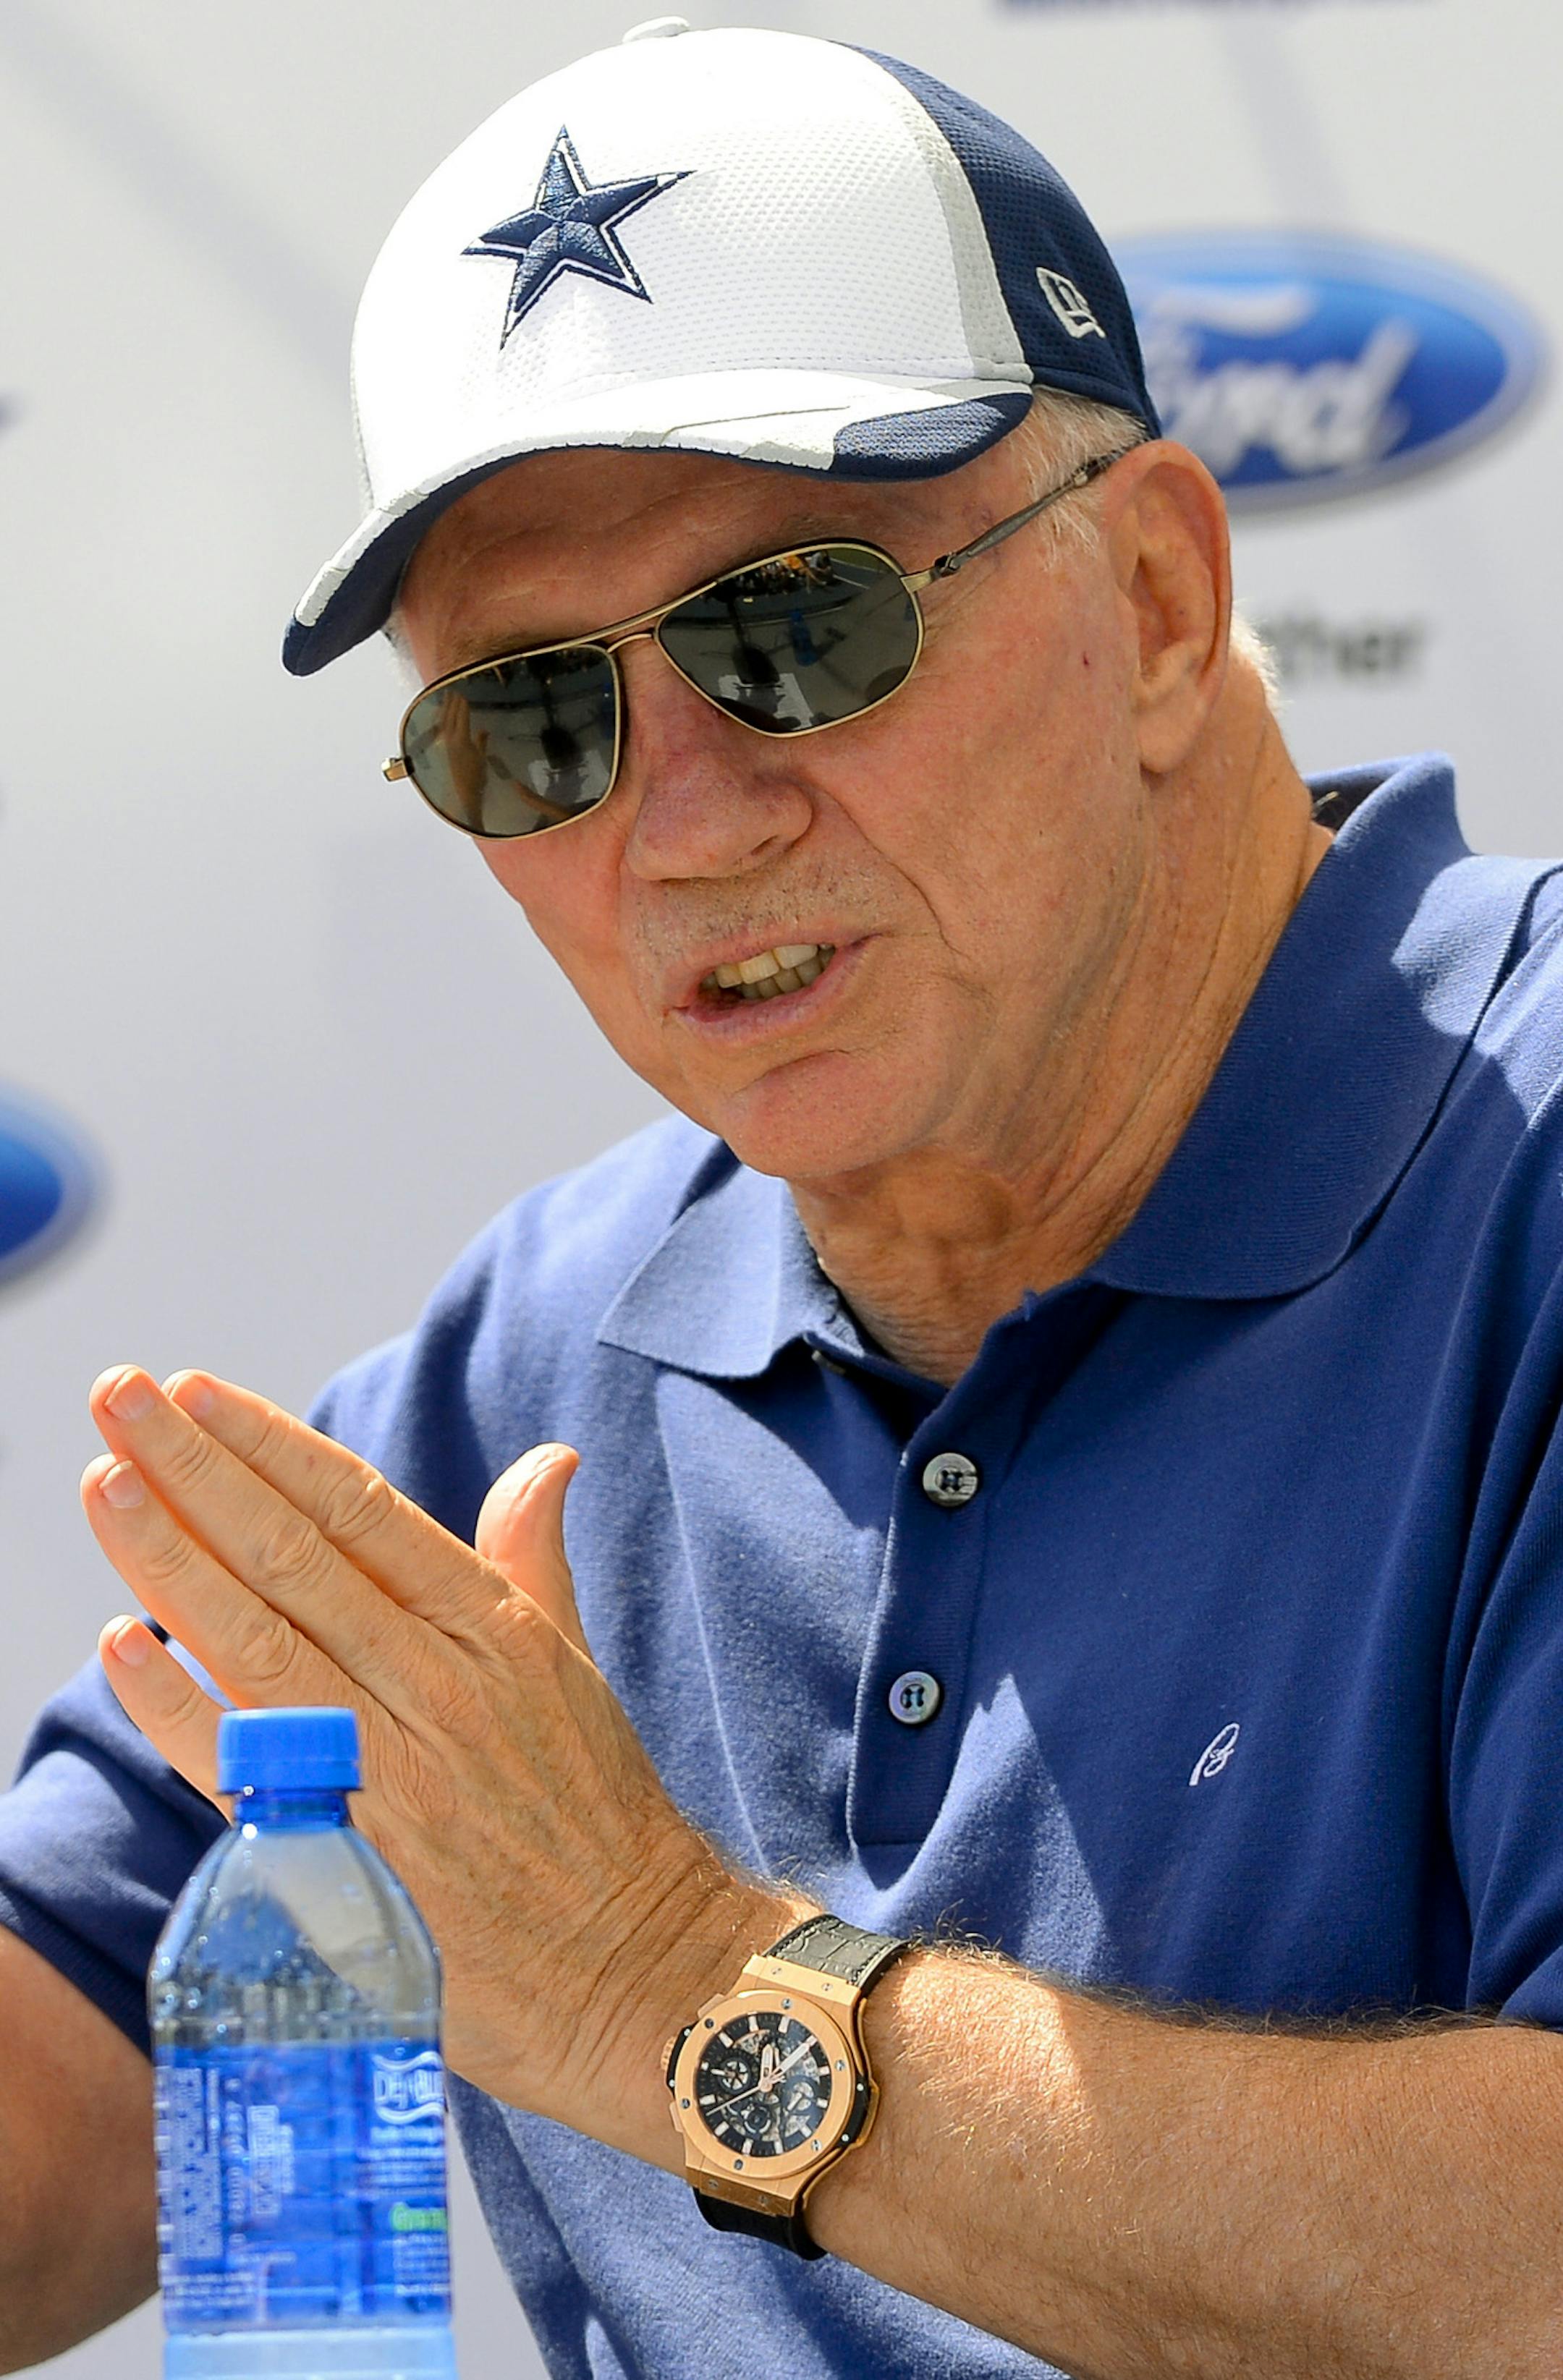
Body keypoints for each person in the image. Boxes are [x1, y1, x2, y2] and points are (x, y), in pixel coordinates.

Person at [1, 22, 1561, 2379]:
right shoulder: (544, 1349)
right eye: (533, 722)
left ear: (1151, 604)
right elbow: (52, 2107)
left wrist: (664, 1984)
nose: (685, 822)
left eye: (795, 631)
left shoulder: (1526, 1166)